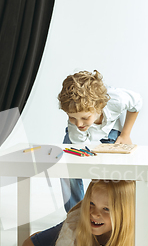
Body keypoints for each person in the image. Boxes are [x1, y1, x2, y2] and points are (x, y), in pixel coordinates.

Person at [58, 70, 143, 212]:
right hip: (80, 139)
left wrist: (125, 133)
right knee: (69, 170)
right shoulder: (76, 127)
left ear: (100, 107)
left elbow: (137, 103)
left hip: (110, 132)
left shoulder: (116, 99)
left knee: (111, 175)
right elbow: (80, 149)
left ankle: (110, 212)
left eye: (85, 118)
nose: (79, 123)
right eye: (72, 117)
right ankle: (76, 213)